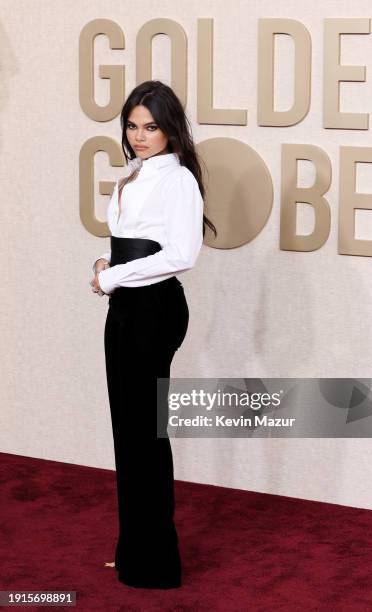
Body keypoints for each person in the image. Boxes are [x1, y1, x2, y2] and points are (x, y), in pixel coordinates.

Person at [89, 80, 216, 590]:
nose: (140, 136)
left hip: (154, 309)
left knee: (145, 434)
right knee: (128, 431)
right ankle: (134, 550)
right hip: (127, 305)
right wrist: (106, 265)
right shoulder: (133, 175)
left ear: (171, 131)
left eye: (151, 127)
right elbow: (128, 246)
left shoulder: (178, 180)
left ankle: (157, 562)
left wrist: (112, 276)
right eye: (133, 125)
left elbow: (181, 255)